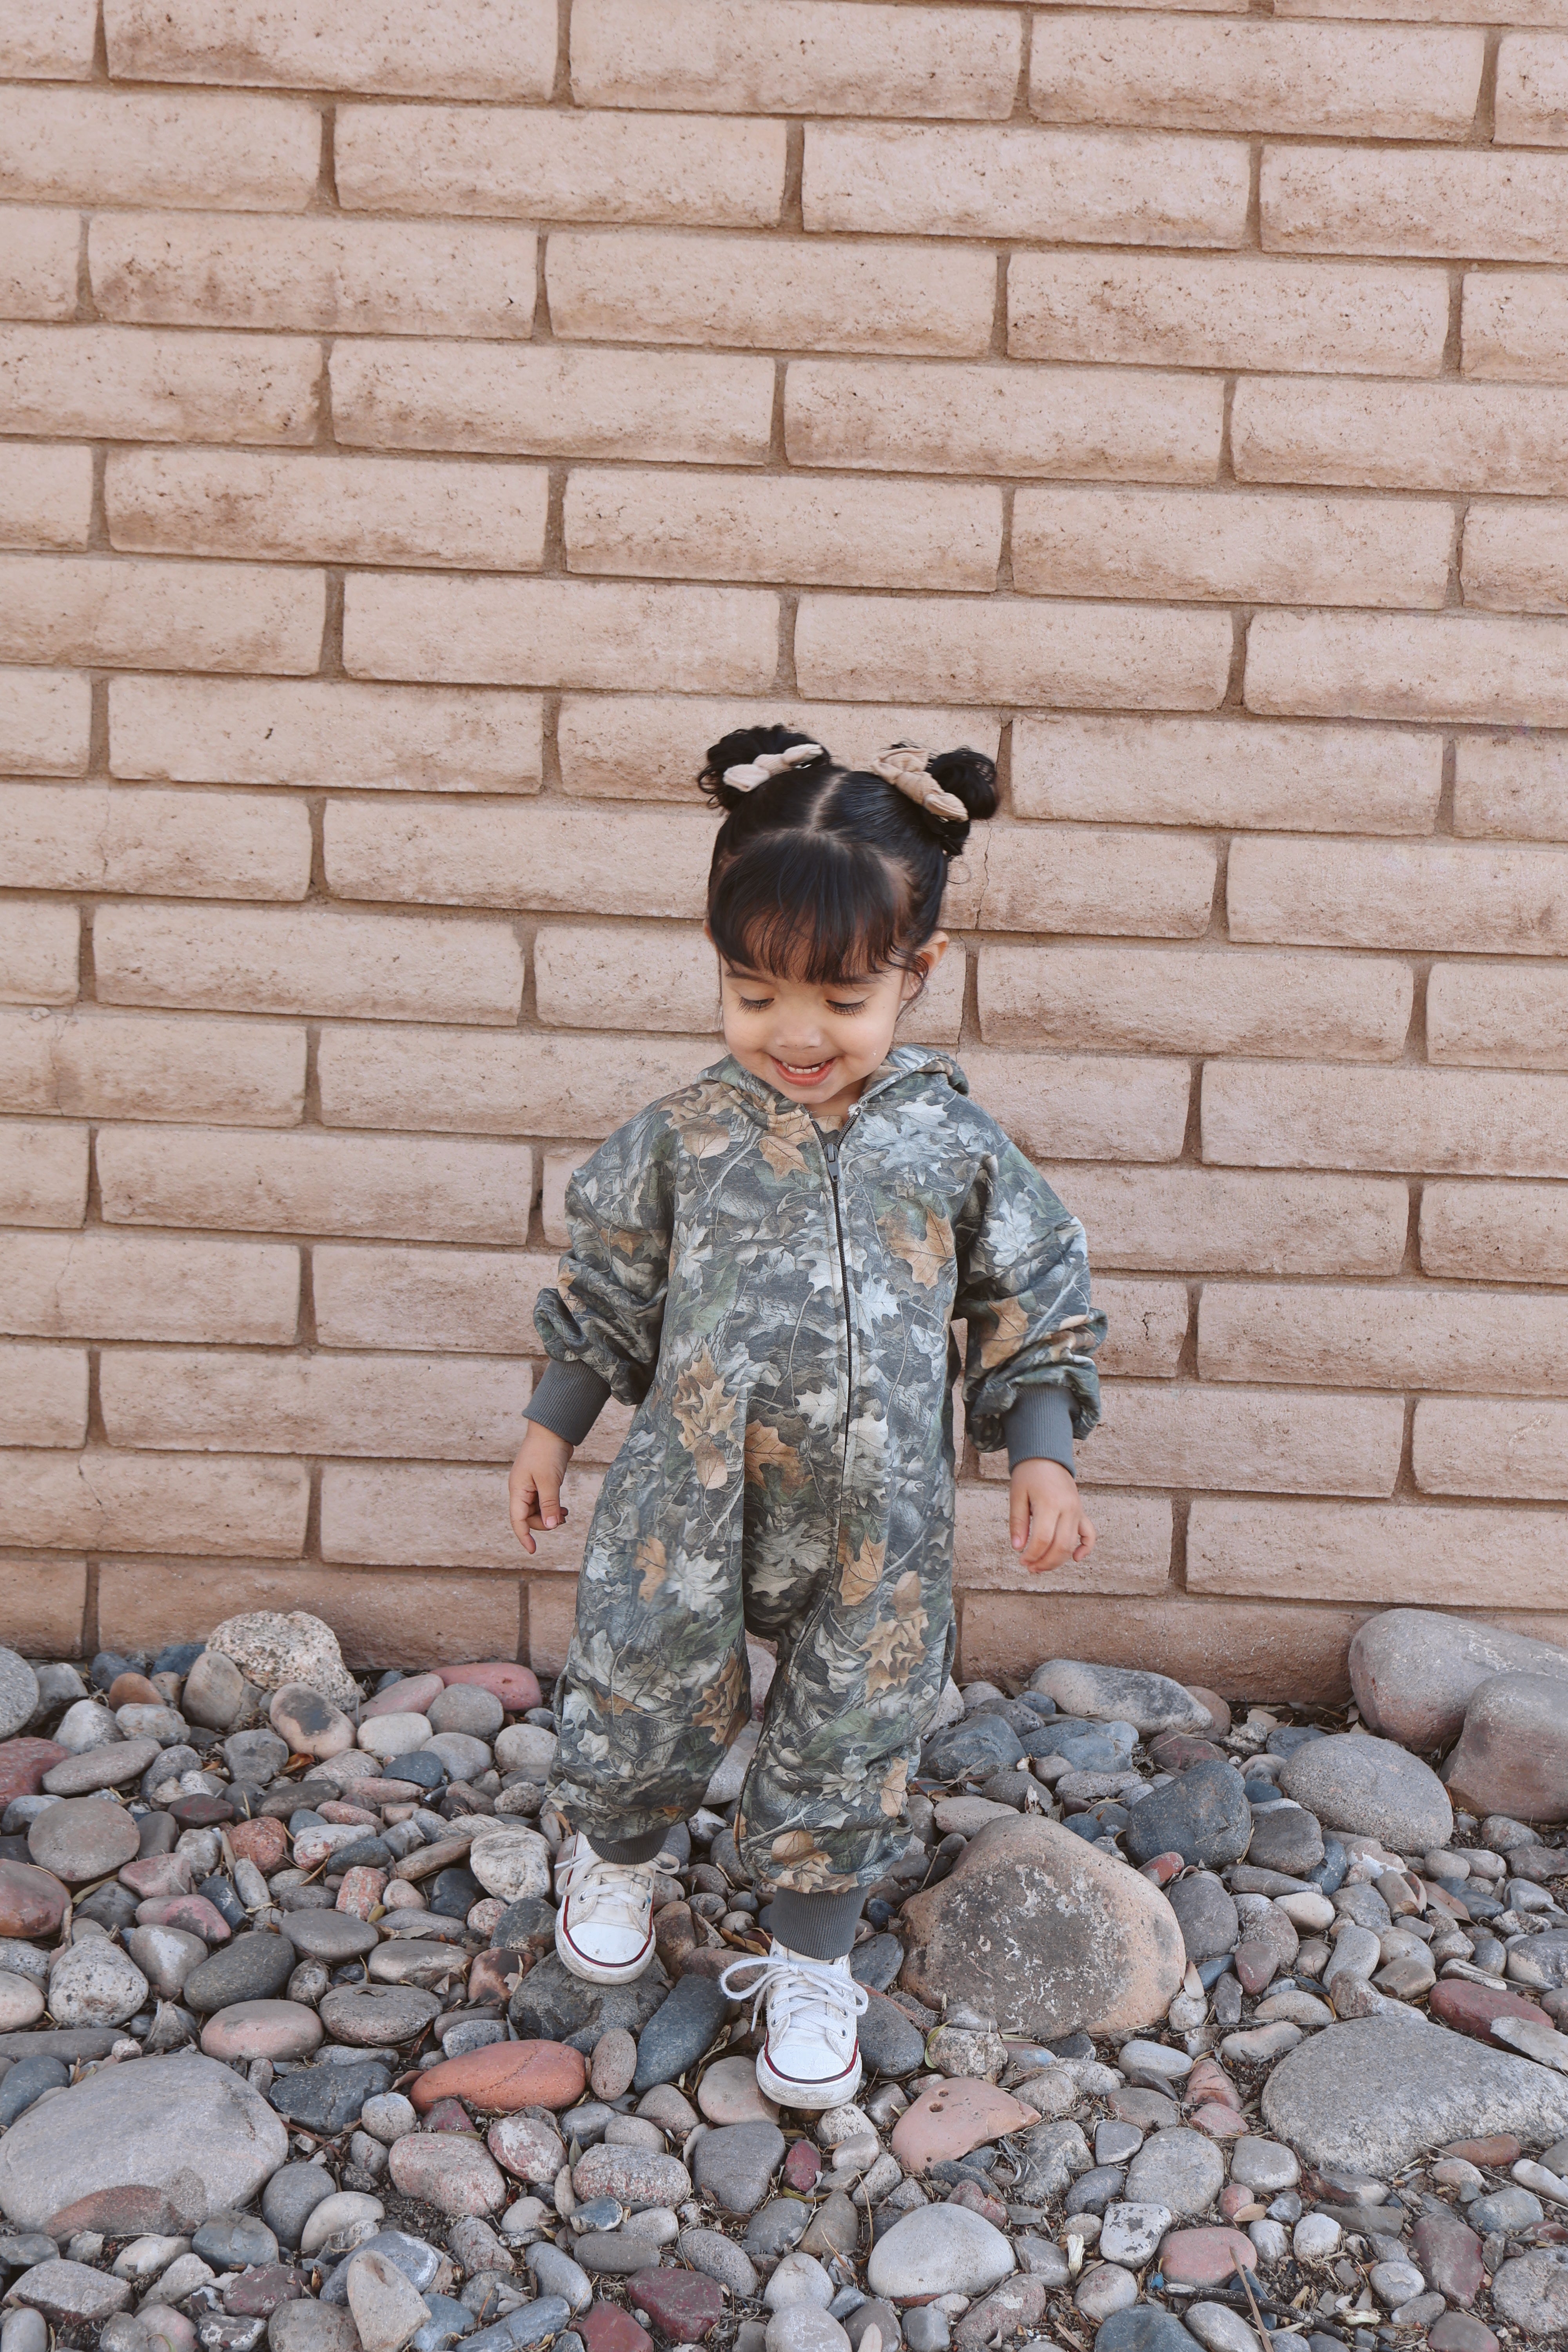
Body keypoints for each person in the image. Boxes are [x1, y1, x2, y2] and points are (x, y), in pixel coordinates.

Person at [508, 725, 1105, 2110]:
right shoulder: (683, 1137)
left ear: (918, 974)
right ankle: (616, 1847)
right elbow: (608, 1290)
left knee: (854, 1725)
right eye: (751, 989)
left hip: (876, 1516)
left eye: (838, 998)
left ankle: (813, 1956)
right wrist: (552, 1425)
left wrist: (1041, 1454)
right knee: (645, 1676)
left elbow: (1036, 1291)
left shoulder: (953, 1149)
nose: (792, 1032)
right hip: (689, 1492)